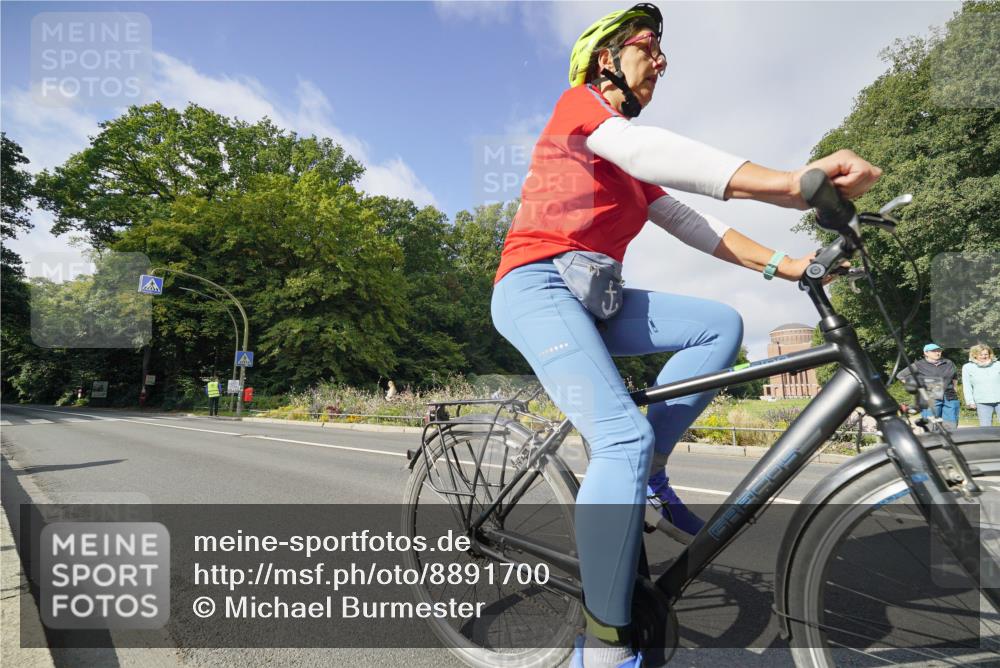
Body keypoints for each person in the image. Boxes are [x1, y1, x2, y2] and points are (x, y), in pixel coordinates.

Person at [488, 5, 882, 667]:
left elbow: (702, 227)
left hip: (596, 297)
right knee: (621, 436)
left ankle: (652, 471)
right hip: (535, 286)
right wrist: (791, 180)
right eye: (650, 46)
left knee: (719, 325)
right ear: (604, 57)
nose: (662, 61)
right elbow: (650, 148)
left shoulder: (635, 174)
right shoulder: (578, 109)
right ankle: (604, 649)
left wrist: (793, 266)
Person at [899, 343, 960, 429]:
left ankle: (951, 441)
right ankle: (933, 441)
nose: (937, 353)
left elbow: (955, 376)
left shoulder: (948, 362)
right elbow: (901, 375)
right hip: (931, 396)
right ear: (926, 353)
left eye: (939, 351)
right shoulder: (919, 364)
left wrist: (955, 387)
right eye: (934, 351)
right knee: (930, 425)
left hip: (950, 396)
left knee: (951, 424)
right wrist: (915, 387)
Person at [962, 343, 1000, 426]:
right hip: (982, 401)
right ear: (974, 355)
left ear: (990, 354)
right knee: (985, 428)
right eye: (980, 354)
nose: (984, 356)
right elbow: (967, 386)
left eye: (986, 354)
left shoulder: (998, 364)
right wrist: (970, 401)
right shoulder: (967, 367)